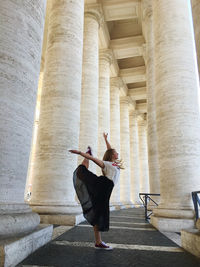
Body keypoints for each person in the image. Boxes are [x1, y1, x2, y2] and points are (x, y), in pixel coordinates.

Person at [69, 133, 122, 250]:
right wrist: (80, 153)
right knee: (83, 170)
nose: (118, 153)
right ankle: (98, 242)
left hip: (106, 189)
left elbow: (109, 150)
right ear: (113, 155)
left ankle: (98, 242)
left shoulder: (114, 163)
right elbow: (93, 160)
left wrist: (106, 140)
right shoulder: (107, 164)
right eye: (116, 152)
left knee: (98, 213)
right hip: (102, 186)